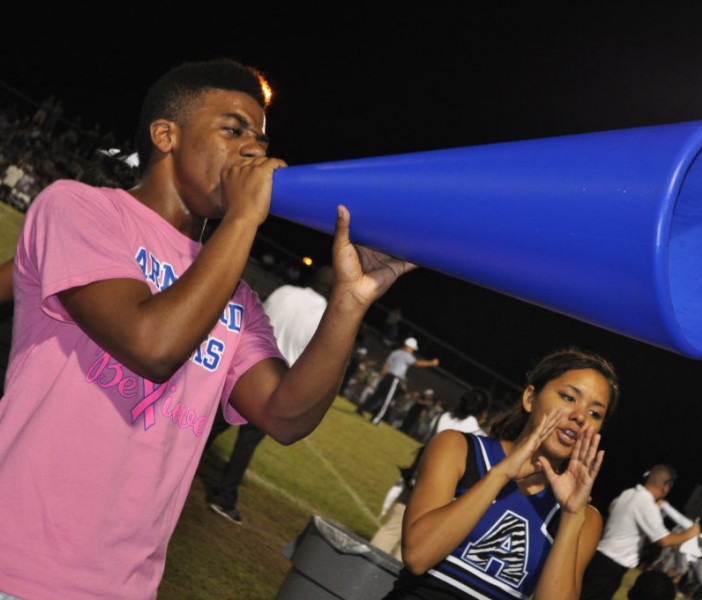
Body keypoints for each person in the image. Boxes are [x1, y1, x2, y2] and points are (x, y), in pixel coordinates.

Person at [0, 58, 414, 600]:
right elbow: (151, 345)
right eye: (233, 128)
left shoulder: (234, 296)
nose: (255, 150)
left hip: (123, 588)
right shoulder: (80, 209)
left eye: (262, 139)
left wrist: (350, 299)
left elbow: (285, 416)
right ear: (165, 135)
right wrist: (243, 220)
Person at [382, 346, 621, 600]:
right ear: (530, 398)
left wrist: (572, 516)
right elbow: (418, 556)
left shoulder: (584, 518)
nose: (580, 416)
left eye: (595, 413)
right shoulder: (458, 449)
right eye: (569, 397)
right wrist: (501, 475)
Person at [206, 265, 335, 523]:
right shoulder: (324, 316)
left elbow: (259, 319)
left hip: (244, 369)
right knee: (246, 444)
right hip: (276, 384)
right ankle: (224, 496)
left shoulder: (286, 291)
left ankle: (174, 465)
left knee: (210, 425)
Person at [371, 386, 493, 560]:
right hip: (442, 494)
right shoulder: (478, 435)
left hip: (416, 480)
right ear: (482, 412)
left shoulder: (443, 417)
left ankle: (365, 567)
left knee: (392, 528)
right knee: (415, 542)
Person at [579, 465, 702, 600]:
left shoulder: (628, 493)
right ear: (665, 486)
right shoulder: (646, 503)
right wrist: (691, 532)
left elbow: (612, 510)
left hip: (597, 557)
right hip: (611, 567)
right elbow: (664, 540)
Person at [356, 336, 439, 425]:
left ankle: (360, 410)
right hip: (394, 379)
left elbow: (387, 363)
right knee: (387, 400)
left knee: (376, 396)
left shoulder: (396, 352)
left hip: (387, 376)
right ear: (409, 346)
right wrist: (431, 363)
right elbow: (417, 363)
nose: (412, 350)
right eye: (412, 348)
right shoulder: (407, 355)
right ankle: (376, 419)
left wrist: (383, 373)